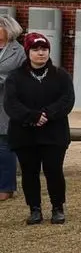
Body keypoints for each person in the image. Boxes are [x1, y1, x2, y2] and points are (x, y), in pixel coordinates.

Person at [4, 33, 74, 225]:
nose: (41, 53)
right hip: (25, 133)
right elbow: (11, 103)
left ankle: (57, 208)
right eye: (36, 49)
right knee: (29, 172)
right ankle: (34, 209)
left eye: (44, 49)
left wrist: (47, 114)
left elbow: (67, 100)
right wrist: (32, 116)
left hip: (54, 133)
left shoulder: (61, 75)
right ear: (28, 52)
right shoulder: (15, 77)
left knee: (54, 170)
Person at [0, 15, 24, 203]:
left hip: (5, 104)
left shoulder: (19, 51)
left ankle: (6, 187)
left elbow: (19, 76)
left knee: (4, 146)